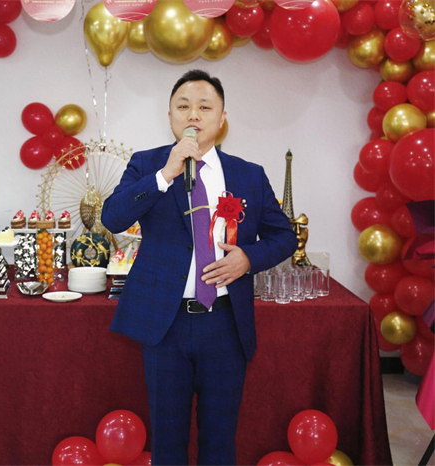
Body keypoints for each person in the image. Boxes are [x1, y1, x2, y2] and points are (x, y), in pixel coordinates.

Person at [101, 70, 297, 465]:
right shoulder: (147, 164)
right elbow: (113, 217)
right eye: (183, 106)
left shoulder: (249, 174)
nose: (194, 115)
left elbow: (285, 237)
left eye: (205, 107)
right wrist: (165, 175)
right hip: (165, 325)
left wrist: (248, 258)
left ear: (222, 119)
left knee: (219, 441)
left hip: (225, 324)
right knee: (168, 442)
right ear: (170, 116)